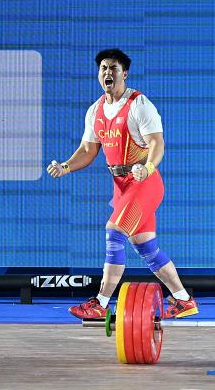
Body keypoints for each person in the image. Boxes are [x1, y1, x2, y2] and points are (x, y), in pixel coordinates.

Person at [47, 48, 198, 321]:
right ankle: (183, 299)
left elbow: (157, 143)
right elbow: (87, 150)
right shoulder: (95, 110)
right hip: (122, 187)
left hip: (145, 182)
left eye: (113, 68)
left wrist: (147, 167)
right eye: (103, 68)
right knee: (146, 247)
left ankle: (101, 303)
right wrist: (66, 166)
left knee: (114, 233)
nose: (108, 72)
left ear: (124, 73)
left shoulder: (139, 105)